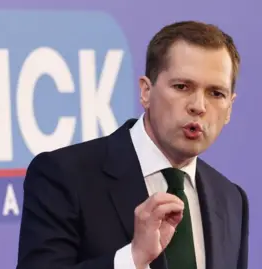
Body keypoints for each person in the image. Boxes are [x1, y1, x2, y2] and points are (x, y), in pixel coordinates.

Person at [15, 21, 249, 269]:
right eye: (182, 87)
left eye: (216, 93)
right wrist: (133, 259)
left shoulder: (231, 199)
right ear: (146, 92)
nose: (199, 106)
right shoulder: (64, 175)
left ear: (230, 108)